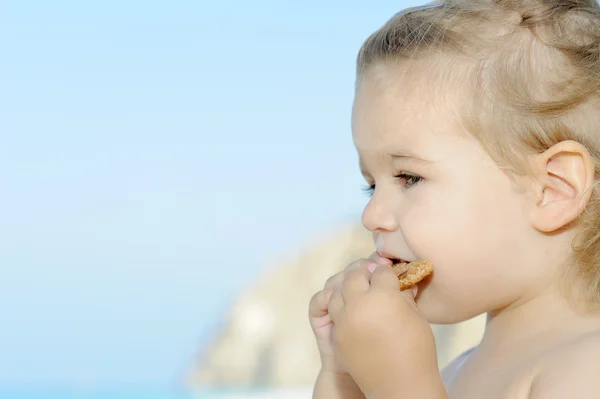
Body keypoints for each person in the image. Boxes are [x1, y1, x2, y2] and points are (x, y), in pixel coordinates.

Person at [308, 0, 600, 397]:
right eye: (371, 185)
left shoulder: (585, 369)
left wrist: (400, 384)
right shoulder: (456, 371)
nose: (372, 214)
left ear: (551, 189)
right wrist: (344, 378)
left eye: (408, 177)